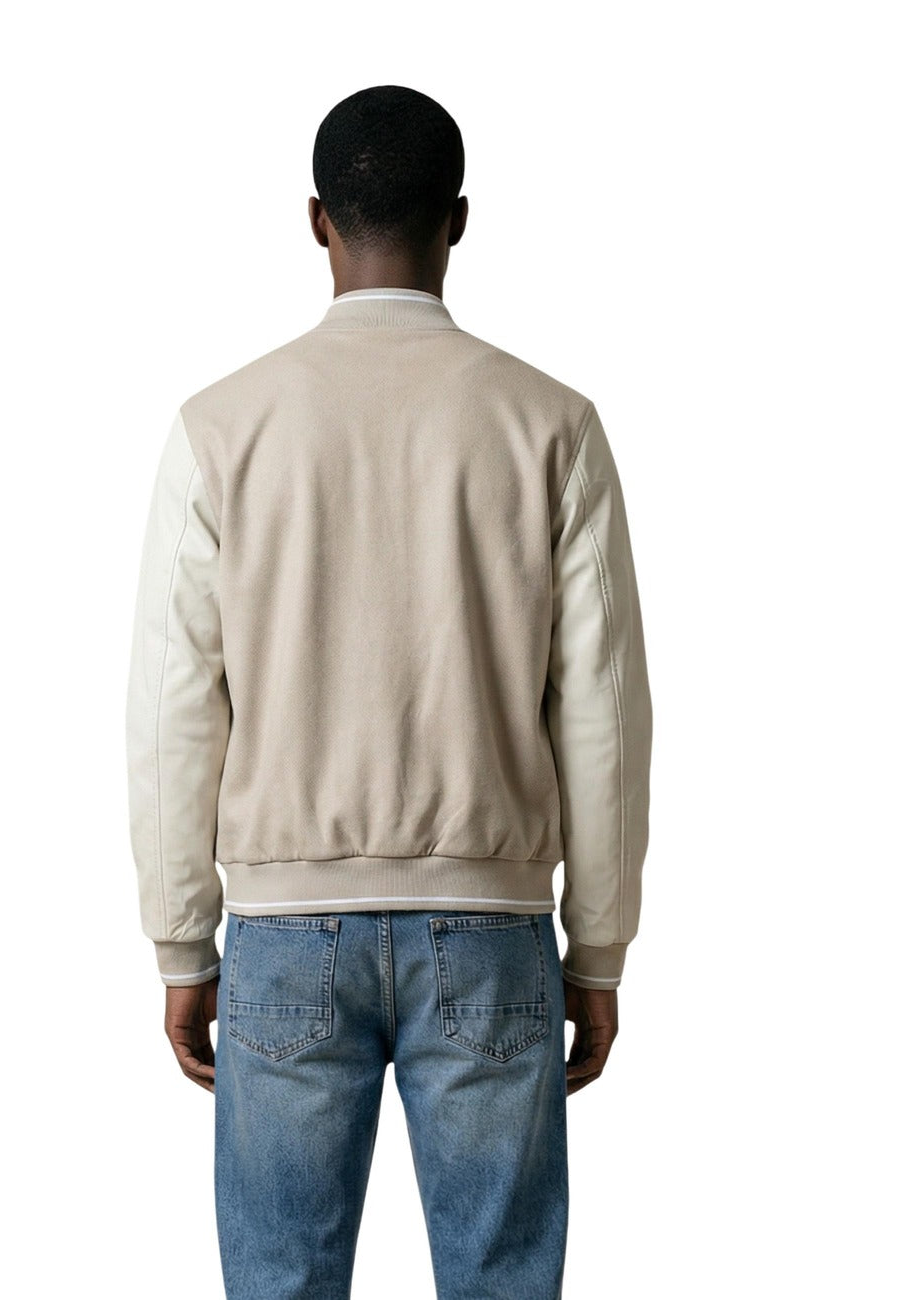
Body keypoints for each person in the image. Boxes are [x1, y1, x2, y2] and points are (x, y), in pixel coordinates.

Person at [125, 83, 653, 1300]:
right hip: (493, 928)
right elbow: (604, 713)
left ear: (316, 220)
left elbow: (173, 709)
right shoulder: (551, 425)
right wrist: (600, 947)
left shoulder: (221, 428)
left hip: (283, 932)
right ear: (457, 220)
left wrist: (179, 937)